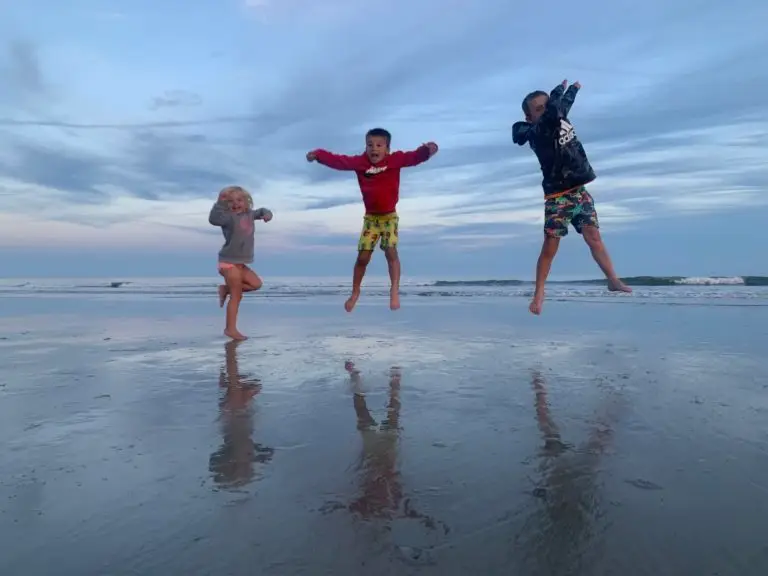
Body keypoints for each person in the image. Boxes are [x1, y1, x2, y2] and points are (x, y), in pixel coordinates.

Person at [512, 79, 631, 315]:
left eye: (546, 106)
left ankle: (612, 280)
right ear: (529, 118)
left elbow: (558, 110)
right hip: (558, 198)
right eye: (538, 109)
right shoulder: (538, 131)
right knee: (550, 247)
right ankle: (539, 295)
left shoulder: (557, 116)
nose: (545, 111)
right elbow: (554, 112)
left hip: (579, 191)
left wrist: (568, 92)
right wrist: (564, 91)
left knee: (594, 237)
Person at [306, 128, 438, 312]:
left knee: (390, 251)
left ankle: (394, 291)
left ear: (387, 148)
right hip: (371, 219)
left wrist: (427, 150)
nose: (374, 149)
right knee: (362, 257)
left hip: (389, 217)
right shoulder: (360, 162)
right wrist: (318, 155)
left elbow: (414, 157)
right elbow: (339, 161)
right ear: (365, 146)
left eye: (379, 145)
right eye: (370, 145)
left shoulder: (395, 160)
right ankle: (355, 292)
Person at [208, 185, 273, 340]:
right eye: (230, 201)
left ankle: (226, 289)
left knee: (256, 284)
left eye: (239, 200)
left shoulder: (250, 214)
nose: (235, 203)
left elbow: (263, 210)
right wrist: (219, 203)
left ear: (247, 201)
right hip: (228, 263)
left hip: (241, 264)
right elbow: (213, 220)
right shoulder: (227, 217)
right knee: (237, 297)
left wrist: (267, 215)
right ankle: (230, 329)